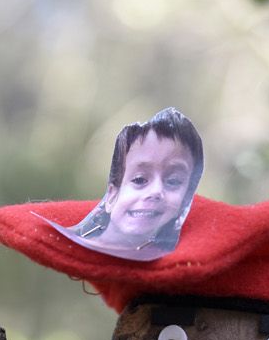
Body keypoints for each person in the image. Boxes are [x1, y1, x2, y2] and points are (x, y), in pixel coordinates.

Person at [70, 108, 204, 258]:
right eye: (139, 180)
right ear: (111, 196)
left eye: (173, 181)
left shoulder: (181, 266)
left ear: (185, 201)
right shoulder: (69, 244)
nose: (156, 191)